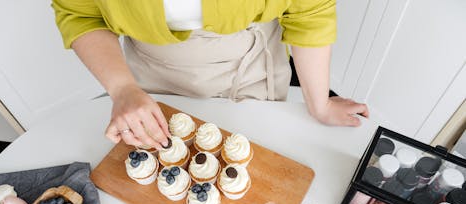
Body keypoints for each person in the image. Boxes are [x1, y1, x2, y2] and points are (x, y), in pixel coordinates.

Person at [51, 0, 369, 150]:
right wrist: (122, 89)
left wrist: (320, 104)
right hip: (150, 77)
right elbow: (80, 14)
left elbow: (309, 11)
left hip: (250, 70)